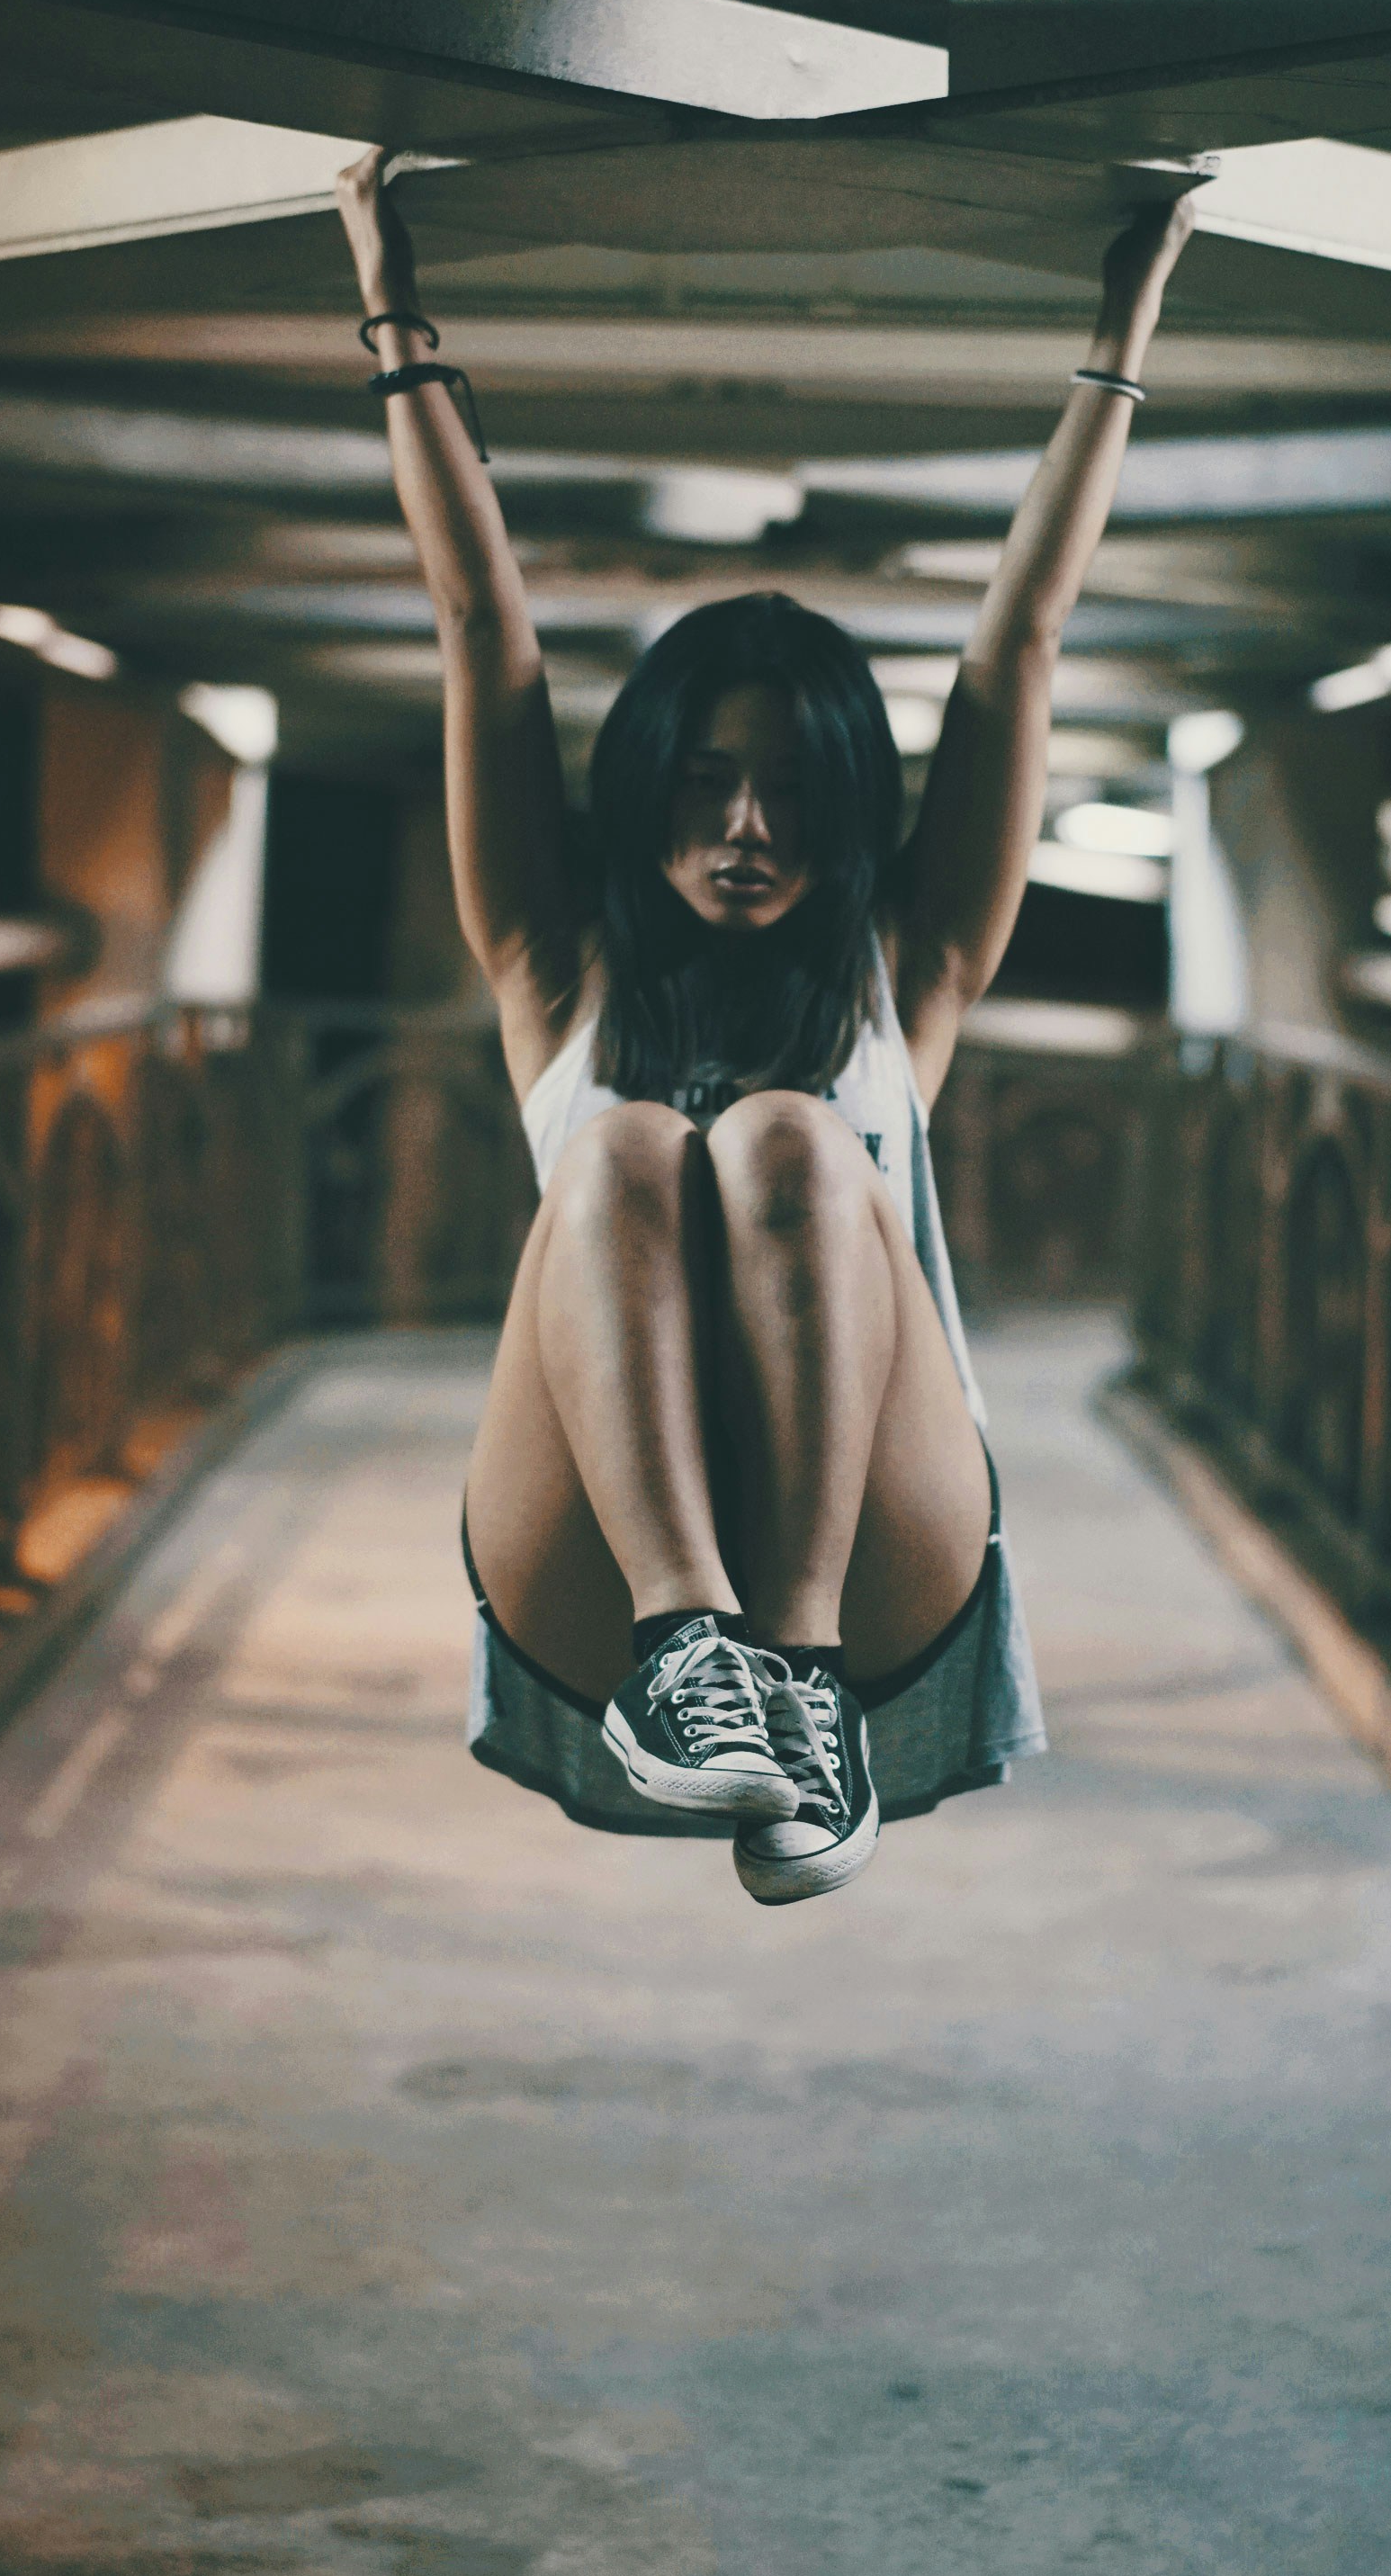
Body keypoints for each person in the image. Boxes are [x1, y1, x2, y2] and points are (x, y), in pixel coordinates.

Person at [336, 148, 1195, 1907]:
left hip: (869, 1570)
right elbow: (478, 635)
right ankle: (685, 1656)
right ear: (644, 789)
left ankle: (790, 1691)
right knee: (631, 1143)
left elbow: (1017, 646)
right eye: (709, 785)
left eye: (793, 793)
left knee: (788, 1132)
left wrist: (1124, 326)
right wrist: (387, 307)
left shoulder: (908, 970)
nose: (748, 830)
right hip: (595, 1562)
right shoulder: (551, 971)